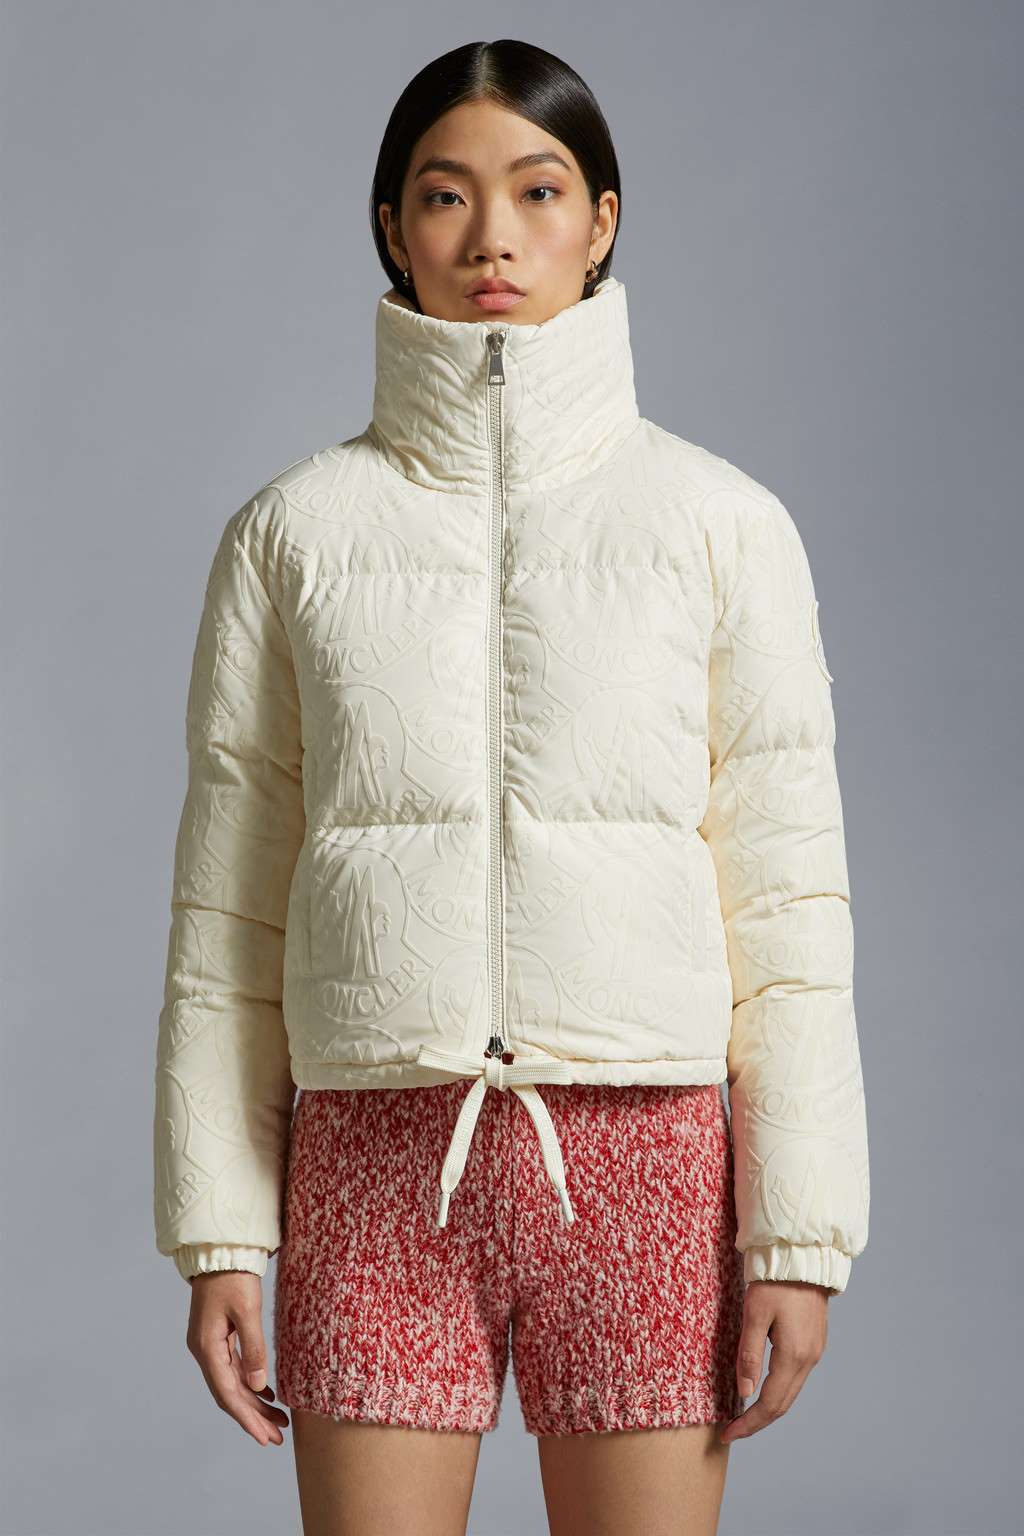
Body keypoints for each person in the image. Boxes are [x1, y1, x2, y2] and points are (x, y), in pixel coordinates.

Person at [154, 37, 870, 1536]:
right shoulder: (291, 537)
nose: (492, 237)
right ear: (392, 228)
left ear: (601, 222)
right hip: (373, 1167)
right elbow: (229, 915)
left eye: (538, 192)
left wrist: (798, 1235)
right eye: (445, 195)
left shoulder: (722, 526)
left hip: (647, 1164)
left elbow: (790, 906)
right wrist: (219, 1227)